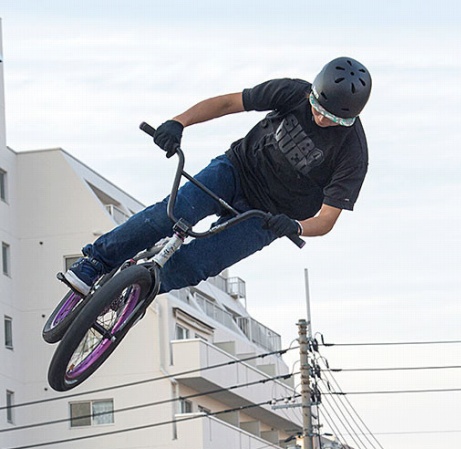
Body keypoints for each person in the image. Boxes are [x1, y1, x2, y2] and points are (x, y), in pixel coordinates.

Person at [64, 57, 372, 296]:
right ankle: (95, 262)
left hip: (267, 216)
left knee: (200, 262)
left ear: (351, 118)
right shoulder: (292, 91)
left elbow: (328, 218)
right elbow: (228, 103)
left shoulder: (353, 153)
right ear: (313, 93)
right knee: (170, 213)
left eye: (332, 118)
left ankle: (134, 293)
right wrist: (178, 122)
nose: (320, 118)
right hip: (235, 171)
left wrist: (295, 226)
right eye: (317, 107)